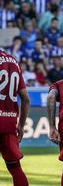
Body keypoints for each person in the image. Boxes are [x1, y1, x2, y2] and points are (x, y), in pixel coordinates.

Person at [0, 48, 30, 186]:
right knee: (15, 168)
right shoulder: (14, 62)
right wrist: (21, 126)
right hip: (9, 123)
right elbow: (25, 98)